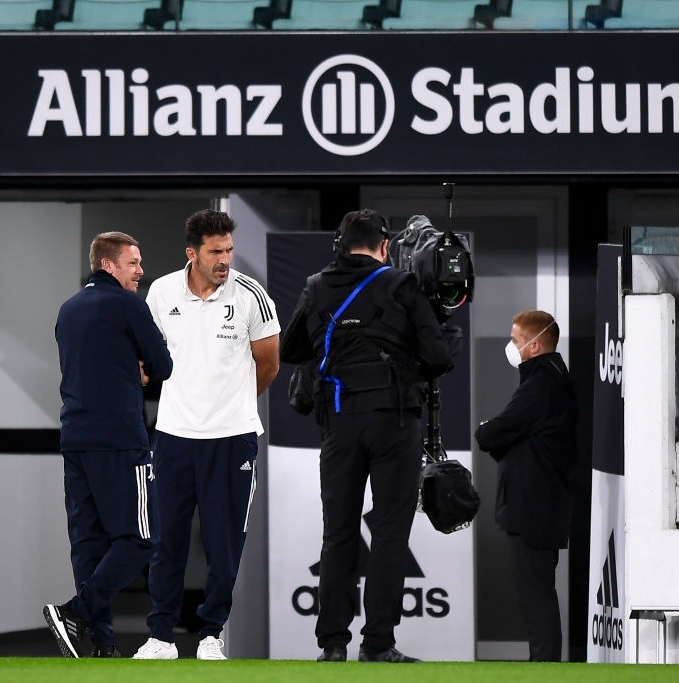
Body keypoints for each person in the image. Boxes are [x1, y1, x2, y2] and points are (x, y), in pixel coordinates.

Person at [280, 209, 454, 664]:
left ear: (342, 244)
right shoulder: (402, 285)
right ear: (383, 246)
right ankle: (377, 644)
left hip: (339, 423)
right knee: (391, 535)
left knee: (337, 535)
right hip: (395, 424)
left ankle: (332, 644)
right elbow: (438, 357)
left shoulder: (316, 286)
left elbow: (291, 349)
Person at [133, 209, 281, 661]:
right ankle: (160, 636)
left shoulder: (252, 295)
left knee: (223, 544)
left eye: (229, 250)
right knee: (165, 542)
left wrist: (232, 404)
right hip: (174, 437)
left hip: (232, 438)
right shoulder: (160, 291)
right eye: (216, 252)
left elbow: (269, 363)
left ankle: (210, 635)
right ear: (192, 253)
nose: (224, 260)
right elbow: (146, 356)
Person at [45, 231, 173, 658]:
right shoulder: (128, 305)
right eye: (133, 263)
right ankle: (75, 612)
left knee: (88, 542)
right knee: (141, 537)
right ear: (108, 265)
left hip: (75, 439)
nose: (140, 271)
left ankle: (101, 644)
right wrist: (139, 368)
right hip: (119, 440)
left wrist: (125, 366)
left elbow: (87, 366)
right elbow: (163, 365)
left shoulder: (68, 309)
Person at [474, 310, 577, 662]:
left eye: (516, 341)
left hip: (533, 507)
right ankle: (544, 662)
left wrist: (488, 430)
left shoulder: (539, 385)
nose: (512, 346)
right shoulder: (552, 377)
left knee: (536, 595)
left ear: (533, 346)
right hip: (542, 504)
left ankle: (544, 665)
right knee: (539, 591)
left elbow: (494, 433)